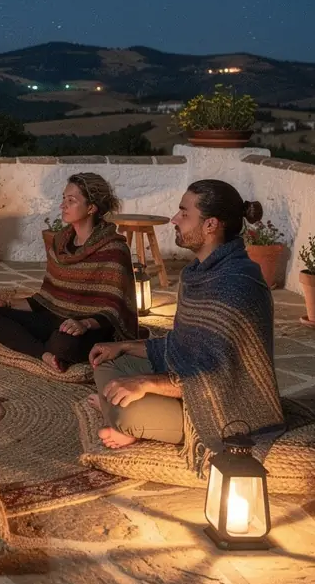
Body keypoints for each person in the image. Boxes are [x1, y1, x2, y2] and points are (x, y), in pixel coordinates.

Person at [88, 180, 284, 470]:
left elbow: (220, 376)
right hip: (189, 383)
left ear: (211, 225)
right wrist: (125, 346)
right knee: (107, 363)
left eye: (184, 213)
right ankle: (123, 411)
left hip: (227, 408)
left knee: (125, 411)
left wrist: (146, 383)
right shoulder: (197, 273)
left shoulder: (237, 284)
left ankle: (126, 422)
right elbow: (184, 345)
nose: (175, 219)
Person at [0, 173, 138, 372]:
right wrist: (6, 302)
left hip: (91, 328)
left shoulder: (113, 249)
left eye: (71, 201)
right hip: (55, 320)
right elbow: (44, 300)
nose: (63, 205)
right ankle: (43, 354)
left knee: (64, 343)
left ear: (91, 207)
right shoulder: (60, 242)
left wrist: (84, 324)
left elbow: (115, 312)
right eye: (63, 199)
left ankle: (40, 347)